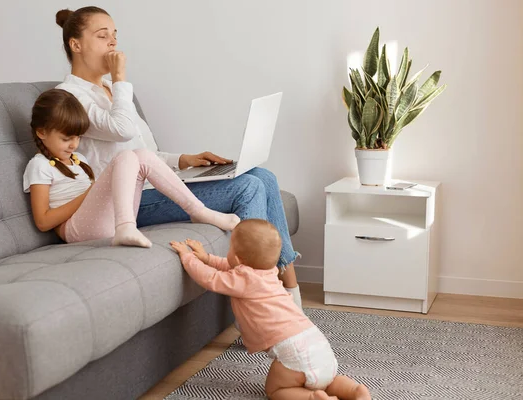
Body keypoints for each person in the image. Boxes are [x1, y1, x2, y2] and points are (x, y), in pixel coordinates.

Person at [54, 6, 303, 308]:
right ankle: (259, 305)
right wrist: (120, 79)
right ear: (75, 45)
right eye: (102, 36)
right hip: (127, 201)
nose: (112, 43)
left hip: (154, 184)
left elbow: (145, 150)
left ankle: (291, 294)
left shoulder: (112, 91)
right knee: (248, 187)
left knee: (263, 176)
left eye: (115, 36)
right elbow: (120, 131)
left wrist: (185, 160)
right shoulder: (69, 98)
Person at [170, 220, 371, 400]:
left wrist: (189, 258)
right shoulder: (267, 273)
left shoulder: (243, 280)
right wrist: (207, 258)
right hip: (317, 345)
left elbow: (211, 279)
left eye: (230, 248)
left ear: (238, 258)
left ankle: (312, 398)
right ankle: (355, 391)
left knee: (275, 390)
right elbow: (231, 267)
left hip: (294, 352)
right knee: (328, 380)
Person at [23, 89, 240, 247]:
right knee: (126, 156)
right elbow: (43, 221)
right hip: (75, 230)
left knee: (142, 156)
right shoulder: (39, 165)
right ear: (42, 132)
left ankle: (198, 211)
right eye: (66, 138)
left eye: (78, 137)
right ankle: (125, 226)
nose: (73, 144)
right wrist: (89, 194)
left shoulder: (78, 159)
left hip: (100, 221)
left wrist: (93, 192)